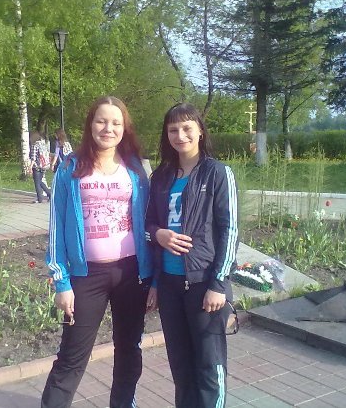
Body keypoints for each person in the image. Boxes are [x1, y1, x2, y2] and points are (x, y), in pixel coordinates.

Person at [41, 95, 154, 408]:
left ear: (124, 128)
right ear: (90, 124)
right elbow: (56, 226)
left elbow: (147, 220)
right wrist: (61, 281)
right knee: (72, 356)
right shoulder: (70, 167)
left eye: (116, 123)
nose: (108, 128)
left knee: (129, 350)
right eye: (102, 121)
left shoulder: (134, 169)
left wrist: (154, 276)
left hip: (131, 273)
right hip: (86, 276)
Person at [145, 103, 239, 408]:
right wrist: (158, 235)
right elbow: (147, 226)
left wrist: (219, 284)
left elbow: (230, 230)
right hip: (170, 285)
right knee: (181, 367)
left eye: (187, 128)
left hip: (203, 284)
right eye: (173, 129)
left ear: (200, 131)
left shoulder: (217, 173)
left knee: (209, 365)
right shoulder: (160, 177)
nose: (180, 135)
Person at [29, 131, 52, 203]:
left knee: (37, 183)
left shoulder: (35, 145)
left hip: (37, 166)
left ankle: (40, 198)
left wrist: (30, 167)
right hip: (44, 166)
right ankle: (49, 194)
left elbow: (33, 158)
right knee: (40, 181)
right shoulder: (43, 144)